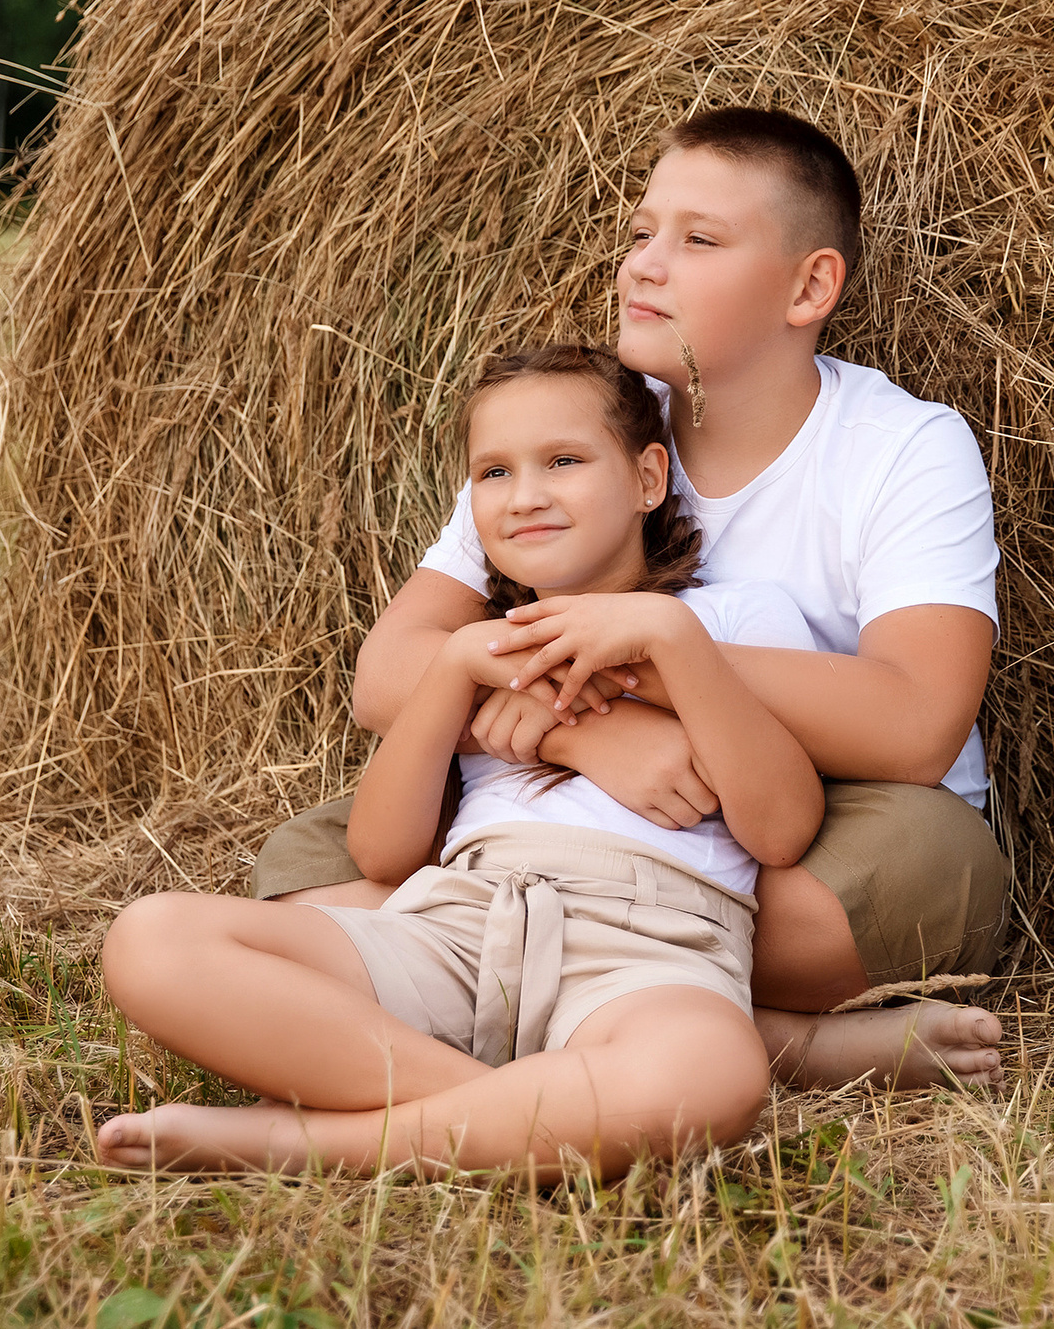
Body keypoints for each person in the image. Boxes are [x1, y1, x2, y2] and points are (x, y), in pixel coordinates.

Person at [255, 108, 1012, 1091]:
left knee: (916, 867)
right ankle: (765, 1042)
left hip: (820, 812)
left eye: (696, 240)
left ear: (808, 285)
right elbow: (390, 673)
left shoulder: (902, 446)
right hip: (590, 808)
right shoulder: (578, 434)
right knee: (300, 864)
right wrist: (583, 737)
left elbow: (914, 722)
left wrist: (647, 662)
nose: (643, 265)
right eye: (640, 232)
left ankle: (487, 987)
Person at [95, 345, 822, 1175]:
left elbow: (784, 828)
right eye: (494, 473)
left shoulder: (730, 620)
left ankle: (308, 1144)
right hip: (457, 923)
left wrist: (671, 638)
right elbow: (381, 855)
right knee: (151, 940)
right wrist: (450, 670)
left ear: (648, 479)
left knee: (709, 1075)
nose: (528, 495)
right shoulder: (482, 649)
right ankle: (510, 1107)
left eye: (564, 461)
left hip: (648, 950)